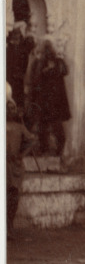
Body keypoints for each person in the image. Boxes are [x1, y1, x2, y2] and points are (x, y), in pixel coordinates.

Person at [23, 37, 71, 156]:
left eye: (49, 48)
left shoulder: (57, 61)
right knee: (43, 128)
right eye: (46, 48)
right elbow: (35, 80)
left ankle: (58, 151)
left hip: (55, 103)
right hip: (44, 102)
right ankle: (44, 150)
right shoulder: (38, 62)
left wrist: (52, 68)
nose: (48, 51)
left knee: (56, 128)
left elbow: (64, 71)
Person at [7, 84, 35, 236]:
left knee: (13, 195)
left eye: (12, 109)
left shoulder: (19, 127)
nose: (10, 111)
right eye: (7, 108)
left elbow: (31, 141)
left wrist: (22, 154)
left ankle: (9, 224)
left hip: (14, 166)